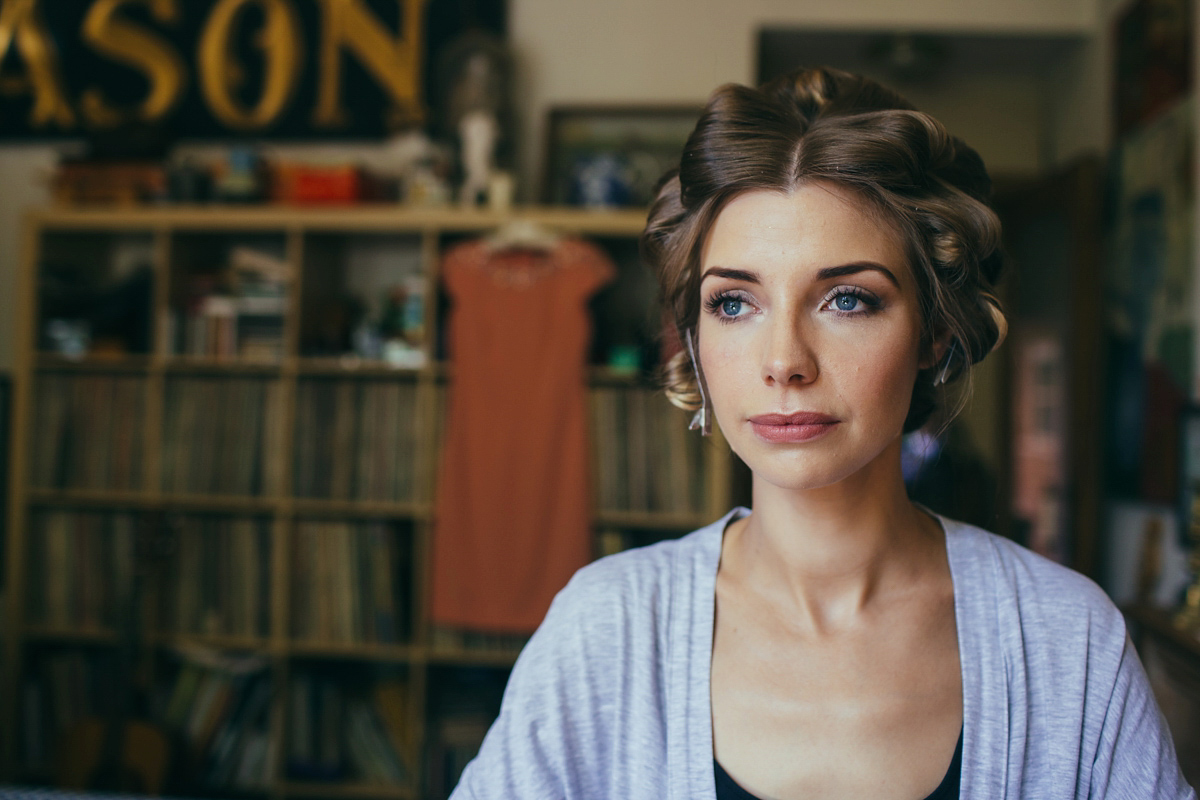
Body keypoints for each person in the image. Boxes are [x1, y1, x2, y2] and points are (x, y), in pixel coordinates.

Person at [449, 67, 1195, 799]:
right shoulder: (606, 632)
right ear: (694, 337)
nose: (784, 362)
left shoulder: (1068, 643)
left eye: (847, 299)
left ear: (934, 332)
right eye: (735, 304)